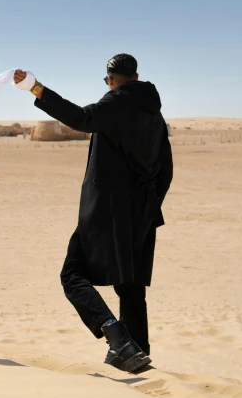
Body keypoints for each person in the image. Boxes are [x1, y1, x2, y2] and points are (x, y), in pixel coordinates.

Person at [14, 54, 173, 373]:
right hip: (143, 210)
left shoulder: (116, 102)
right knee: (130, 286)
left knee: (72, 274)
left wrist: (36, 88)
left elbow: (80, 118)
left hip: (109, 208)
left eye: (107, 81)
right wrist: (148, 205)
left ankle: (117, 338)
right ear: (137, 76)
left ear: (112, 79)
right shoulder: (155, 114)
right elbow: (165, 170)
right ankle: (136, 355)